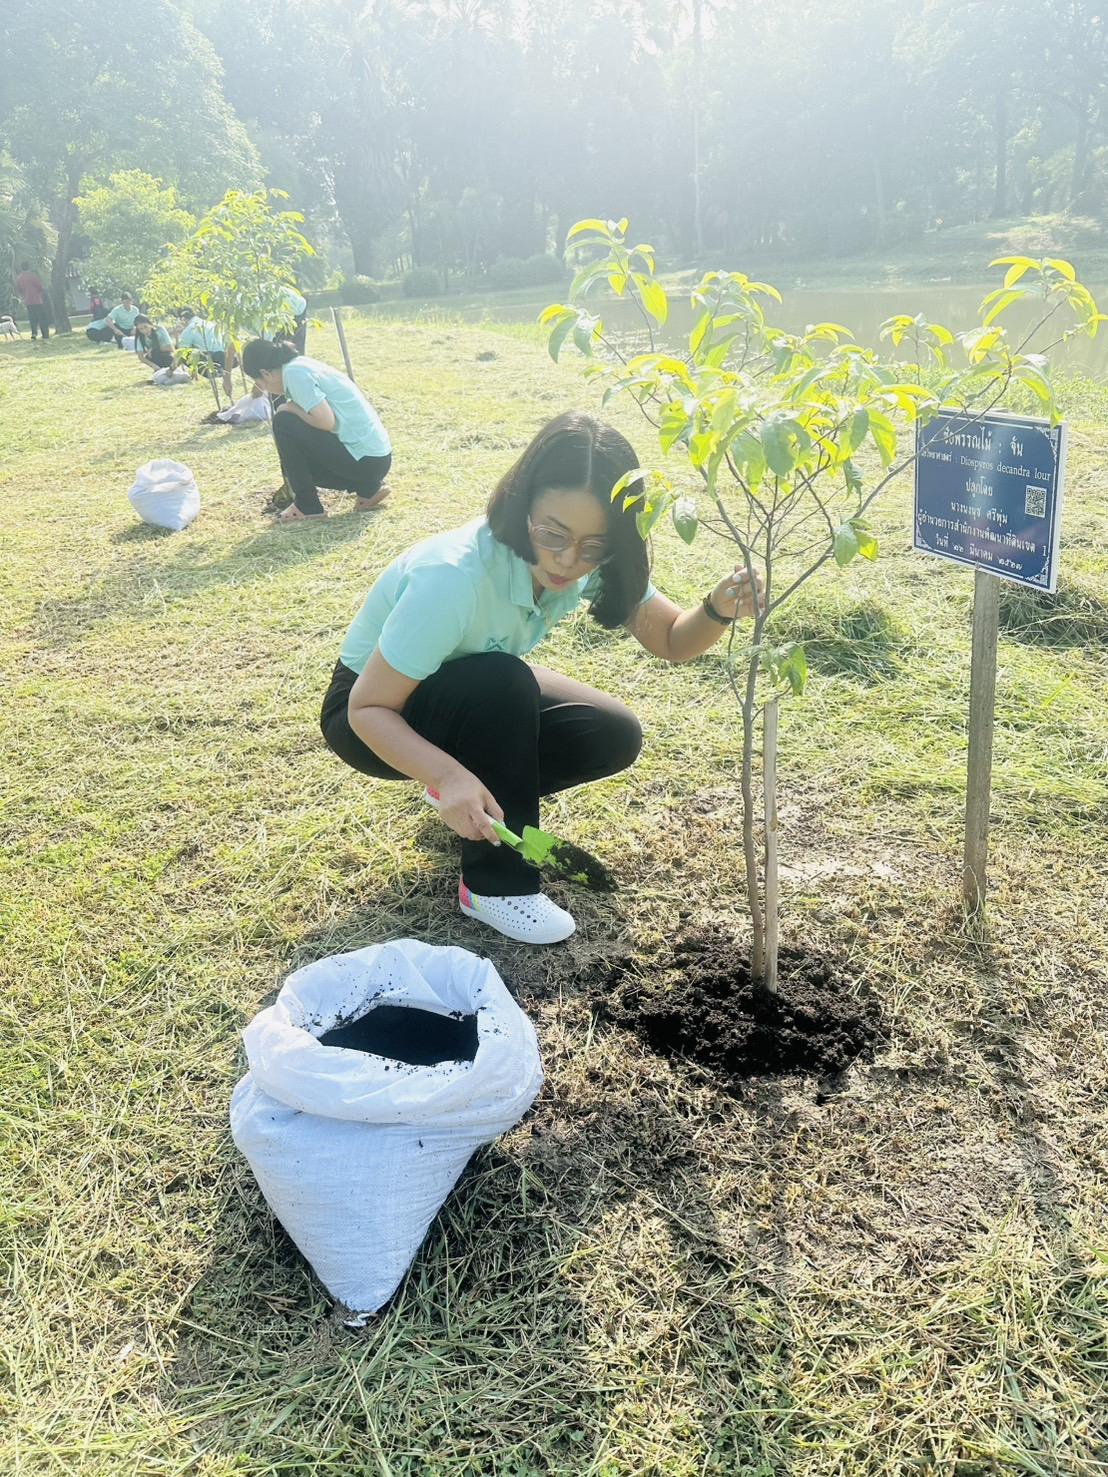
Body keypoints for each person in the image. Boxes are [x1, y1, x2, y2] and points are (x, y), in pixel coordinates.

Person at [319, 411, 761, 946]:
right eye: (553, 533)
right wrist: (448, 775)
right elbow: (366, 709)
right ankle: (494, 887)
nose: (569, 561)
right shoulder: (453, 578)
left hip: (471, 686)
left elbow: (670, 639)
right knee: (502, 683)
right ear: (521, 501)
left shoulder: (590, 558)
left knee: (609, 732)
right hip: (371, 711)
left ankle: (482, 806)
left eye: (594, 545)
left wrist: (717, 608)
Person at [242, 338, 392, 523]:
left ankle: (307, 505)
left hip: (366, 461)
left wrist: (289, 408)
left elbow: (326, 421)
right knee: (293, 429)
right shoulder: (300, 366)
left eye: (259, 382)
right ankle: (368, 489)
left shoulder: (295, 374)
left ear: (265, 373)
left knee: (283, 421)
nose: (263, 389)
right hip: (375, 458)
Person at [176, 307, 234, 396]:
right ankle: (218, 370)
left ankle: (210, 373)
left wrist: (171, 370)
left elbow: (181, 353)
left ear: (183, 319)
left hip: (212, 358)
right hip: (227, 358)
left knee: (185, 354)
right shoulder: (209, 323)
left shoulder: (190, 329)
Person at [14, 263, 50, 342]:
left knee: (32, 317)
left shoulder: (19, 278)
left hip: (28, 301)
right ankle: (45, 335)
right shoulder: (32, 276)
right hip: (37, 300)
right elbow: (39, 286)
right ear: (29, 267)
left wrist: (23, 296)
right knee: (42, 318)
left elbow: (19, 290)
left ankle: (34, 333)